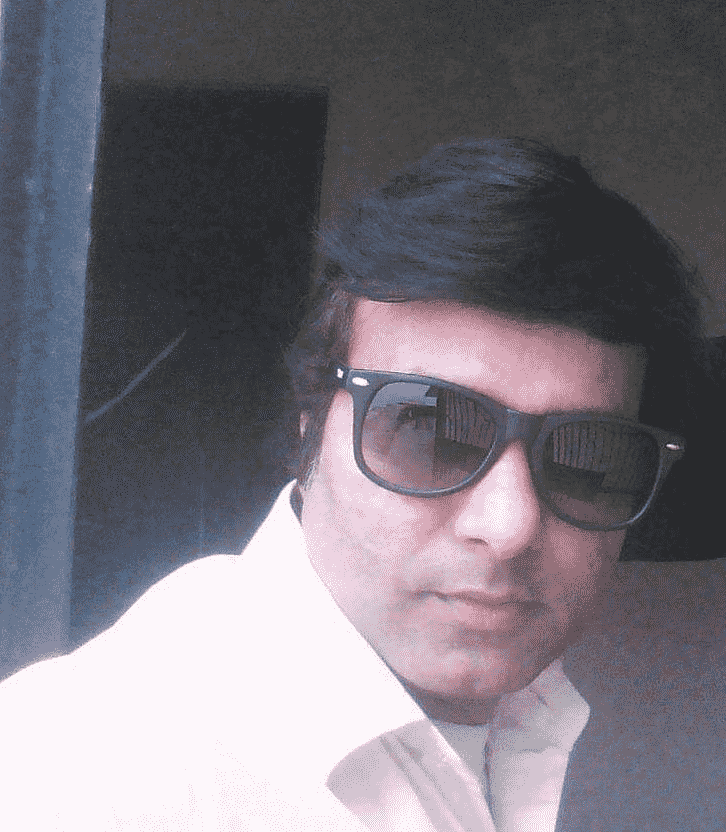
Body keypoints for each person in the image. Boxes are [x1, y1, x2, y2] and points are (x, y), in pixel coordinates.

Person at [0, 137, 724, 831]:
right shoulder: (79, 772)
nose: (508, 526)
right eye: (430, 430)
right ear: (309, 424)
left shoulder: (536, 725)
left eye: (588, 457)